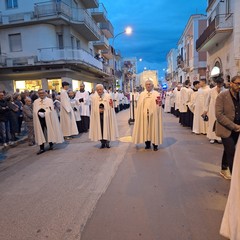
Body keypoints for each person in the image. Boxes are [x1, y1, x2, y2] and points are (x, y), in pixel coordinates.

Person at [215, 75, 240, 178]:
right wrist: (234, 126)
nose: (239, 86)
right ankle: (235, 177)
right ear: (231, 84)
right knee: (231, 151)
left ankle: (224, 168)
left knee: (228, 149)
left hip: (238, 128)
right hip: (225, 128)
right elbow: (219, 115)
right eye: (238, 84)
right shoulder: (222, 96)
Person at [132, 79, 163, 151]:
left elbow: (159, 104)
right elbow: (139, 105)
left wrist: (154, 111)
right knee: (145, 129)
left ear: (152, 85)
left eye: (149, 84)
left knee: (154, 128)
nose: (148, 86)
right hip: (144, 115)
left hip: (154, 115)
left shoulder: (156, 94)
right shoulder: (142, 94)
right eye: (147, 84)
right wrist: (143, 112)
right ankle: (147, 144)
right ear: (145, 86)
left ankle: (155, 145)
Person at [220, 135, 240, 239]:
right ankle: (224, 168)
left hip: (233, 130)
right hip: (228, 130)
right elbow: (220, 117)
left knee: (229, 151)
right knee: (230, 151)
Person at [33, 89, 64, 154]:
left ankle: (51, 144)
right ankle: (41, 147)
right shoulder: (36, 101)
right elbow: (34, 110)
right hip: (39, 119)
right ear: (38, 94)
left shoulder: (49, 100)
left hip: (48, 118)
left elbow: (51, 109)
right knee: (40, 132)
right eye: (40, 93)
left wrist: (45, 113)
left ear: (45, 93)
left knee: (49, 130)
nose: (41, 94)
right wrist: (38, 113)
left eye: (42, 93)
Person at [89, 84, 119, 148]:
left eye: (100, 89)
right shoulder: (94, 97)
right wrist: (97, 110)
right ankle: (102, 142)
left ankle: (107, 142)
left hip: (107, 116)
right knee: (100, 129)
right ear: (96, 90)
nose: (99, 91)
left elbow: (111, 106)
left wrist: (105, 109)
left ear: (103, 89)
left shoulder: (108, 96)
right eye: (98, 90)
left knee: (107, 128)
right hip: (98, 116)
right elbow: (93, 107)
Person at [203, 77, 225, 144]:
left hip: (222, 109)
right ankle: (212, 137)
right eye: (218, 84)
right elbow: (207, 100)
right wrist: (205, 110)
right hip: (212, 109)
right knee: (212, 123)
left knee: (220, 123)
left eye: (220, 84)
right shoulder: (211, 90)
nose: (219, 85)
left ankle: (219, 137)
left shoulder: (225, 91)